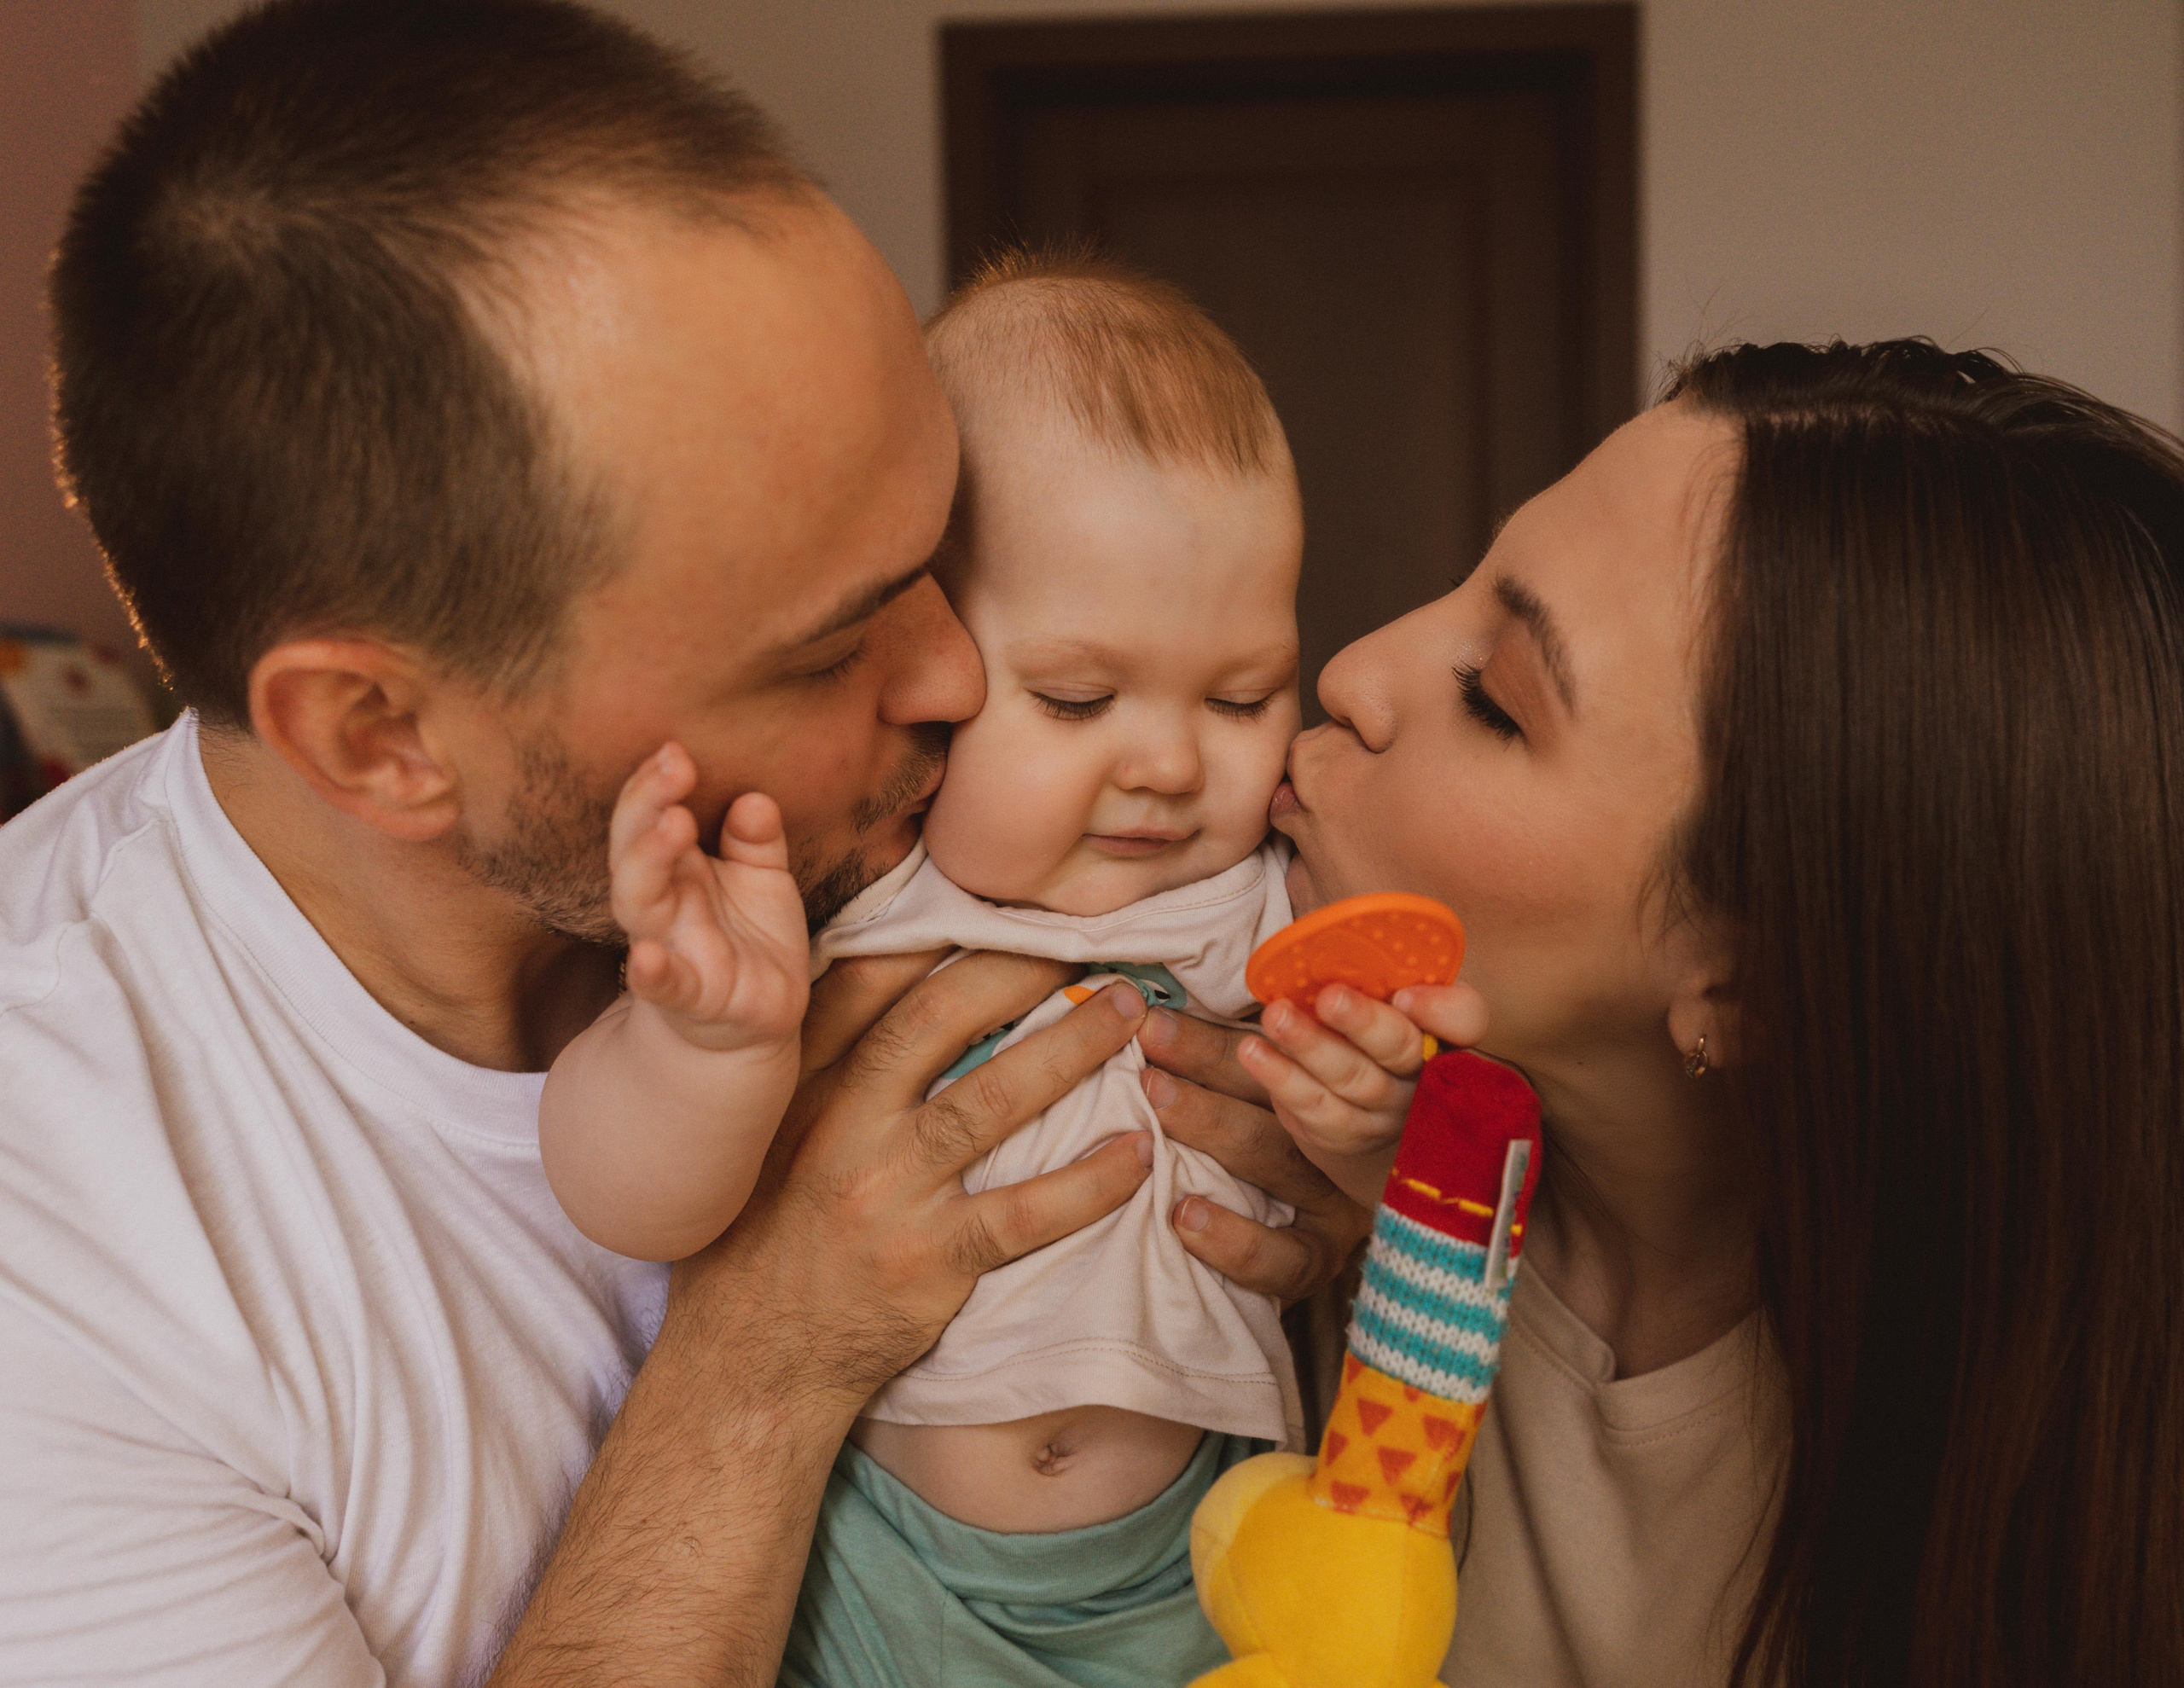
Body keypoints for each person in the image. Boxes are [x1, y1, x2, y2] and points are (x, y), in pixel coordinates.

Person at [0, 5, 1370, 1685]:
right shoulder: (62, 1256)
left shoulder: (917, 834)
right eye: (826, 642)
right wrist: (765, 1357)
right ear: (384, 737)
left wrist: (1321, 1189)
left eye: (941, 548)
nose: (956, 682)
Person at [1139, 340, 2184, 1686]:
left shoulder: (2010, 1534)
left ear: (1744, 985)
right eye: (1463, 587)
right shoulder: (1280, 1153)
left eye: (1496, 701)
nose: (1350, 671)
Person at [537, 252, 1400, 1684]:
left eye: (1243, 694)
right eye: (1077, 697)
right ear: (924, 657)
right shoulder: (857, 900)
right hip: (877, 1562)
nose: (1174, 763)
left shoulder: (1259, 906)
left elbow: (1400, 1161)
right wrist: (698, 1051)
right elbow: (619, 1196)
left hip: (1192, 1565)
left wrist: (1364, 1117)